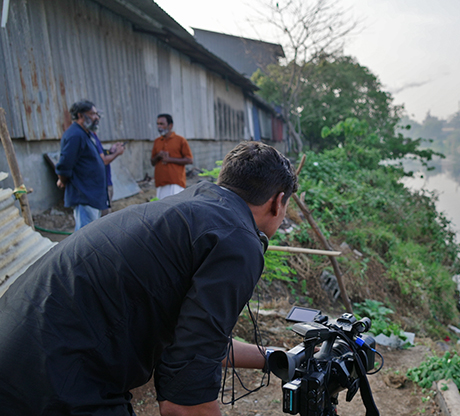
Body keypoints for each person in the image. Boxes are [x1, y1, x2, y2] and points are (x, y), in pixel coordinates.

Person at [0, 141, 298, 416]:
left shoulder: (189, 209)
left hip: (17, 348)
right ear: (277, 202)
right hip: (58, 379)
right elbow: (184, 399)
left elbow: (196, 344)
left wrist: (275, 357)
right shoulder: (238, 239)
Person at [55, 100, 108, 230]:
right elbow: (64, 164)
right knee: (85, 236)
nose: (96, 118)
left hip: (91, 194)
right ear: (80, 115)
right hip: (84, 194)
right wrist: (62, 180)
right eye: (92, 114)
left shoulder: (86, 134)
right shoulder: (76, 135)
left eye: (97, 114)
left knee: (92, 233)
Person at [151, 113, 193, 199]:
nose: (159, 126)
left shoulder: (180, 140)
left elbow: (189, 160)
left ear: (170, 125)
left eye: (162, 124)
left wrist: (169, 159)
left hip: (175, 182)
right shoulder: (157, 141)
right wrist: (158, 155)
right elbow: (152, 162)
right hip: (161, 182)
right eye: (158, 124)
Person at [92, 131, 125, 216]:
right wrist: (117, 153)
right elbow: (103, 161)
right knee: (104, 217)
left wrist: (111, 151)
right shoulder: (88, 137)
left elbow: (101, 155)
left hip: (104, 183)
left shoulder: (93, 137)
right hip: (102, 185)